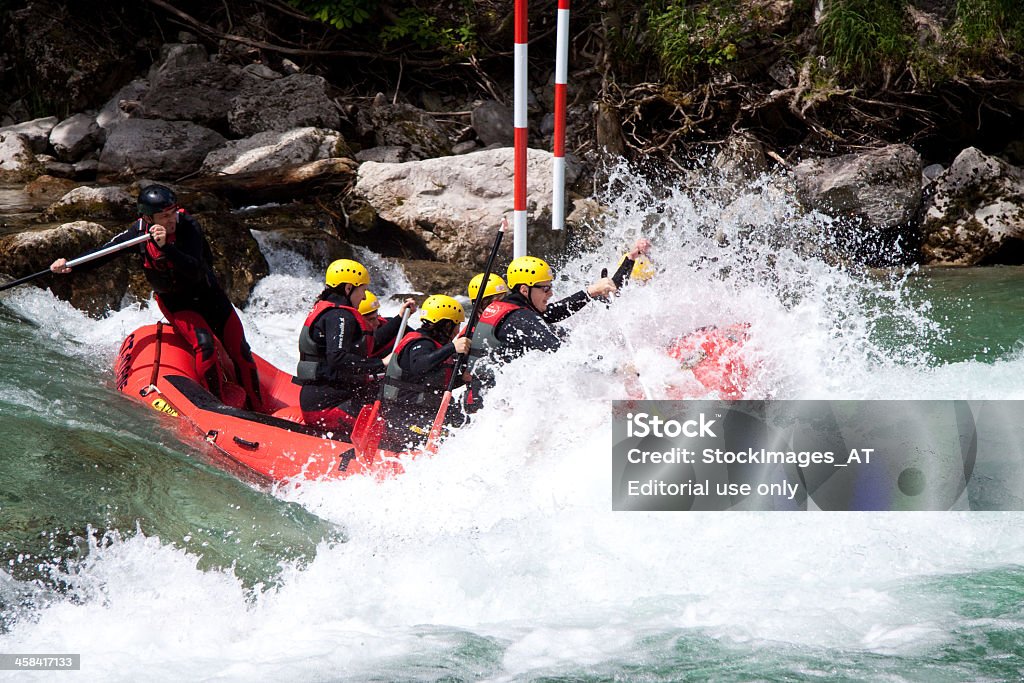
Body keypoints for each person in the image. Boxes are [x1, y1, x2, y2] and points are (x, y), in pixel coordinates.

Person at [49, 184, 264, 412]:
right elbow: (106, 251)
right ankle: (220, 410)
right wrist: (70, 265)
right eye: (164, 216)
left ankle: (259, 408)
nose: (171, 220)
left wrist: (167, 248)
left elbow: (195, 269)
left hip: (210, 296)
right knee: (205, 345)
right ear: (148, 218)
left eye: (172, 213)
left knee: (240, 351)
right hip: (178, 303)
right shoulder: (138, 232)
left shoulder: (189, 226)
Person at [295, 258, 393, 434]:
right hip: (326, 407)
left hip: (320, 399)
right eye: (362, 290)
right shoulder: (340, 316)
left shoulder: (329, 310)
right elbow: (337, 358)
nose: (363, 297)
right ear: (348, 288)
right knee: (389, 429)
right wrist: (381, 364)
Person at [379, 295, 471, 448]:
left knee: (469, 426)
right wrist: (452, 348)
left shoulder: (432, 345)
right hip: (404, 418)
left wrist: (463, 379)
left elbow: (430, 384)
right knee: (453, 438)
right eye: (456, 325)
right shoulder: (421, 343)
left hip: (421, 413)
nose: (457, 331)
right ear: (446, 325)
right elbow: (419, 365)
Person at [359, 289, 418, 359]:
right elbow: (372, 342)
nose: (377, 323)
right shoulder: (350, 339)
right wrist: (399, 318)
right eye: (370, 319)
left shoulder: (388, 323)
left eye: (376, 316)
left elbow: (418, 337)